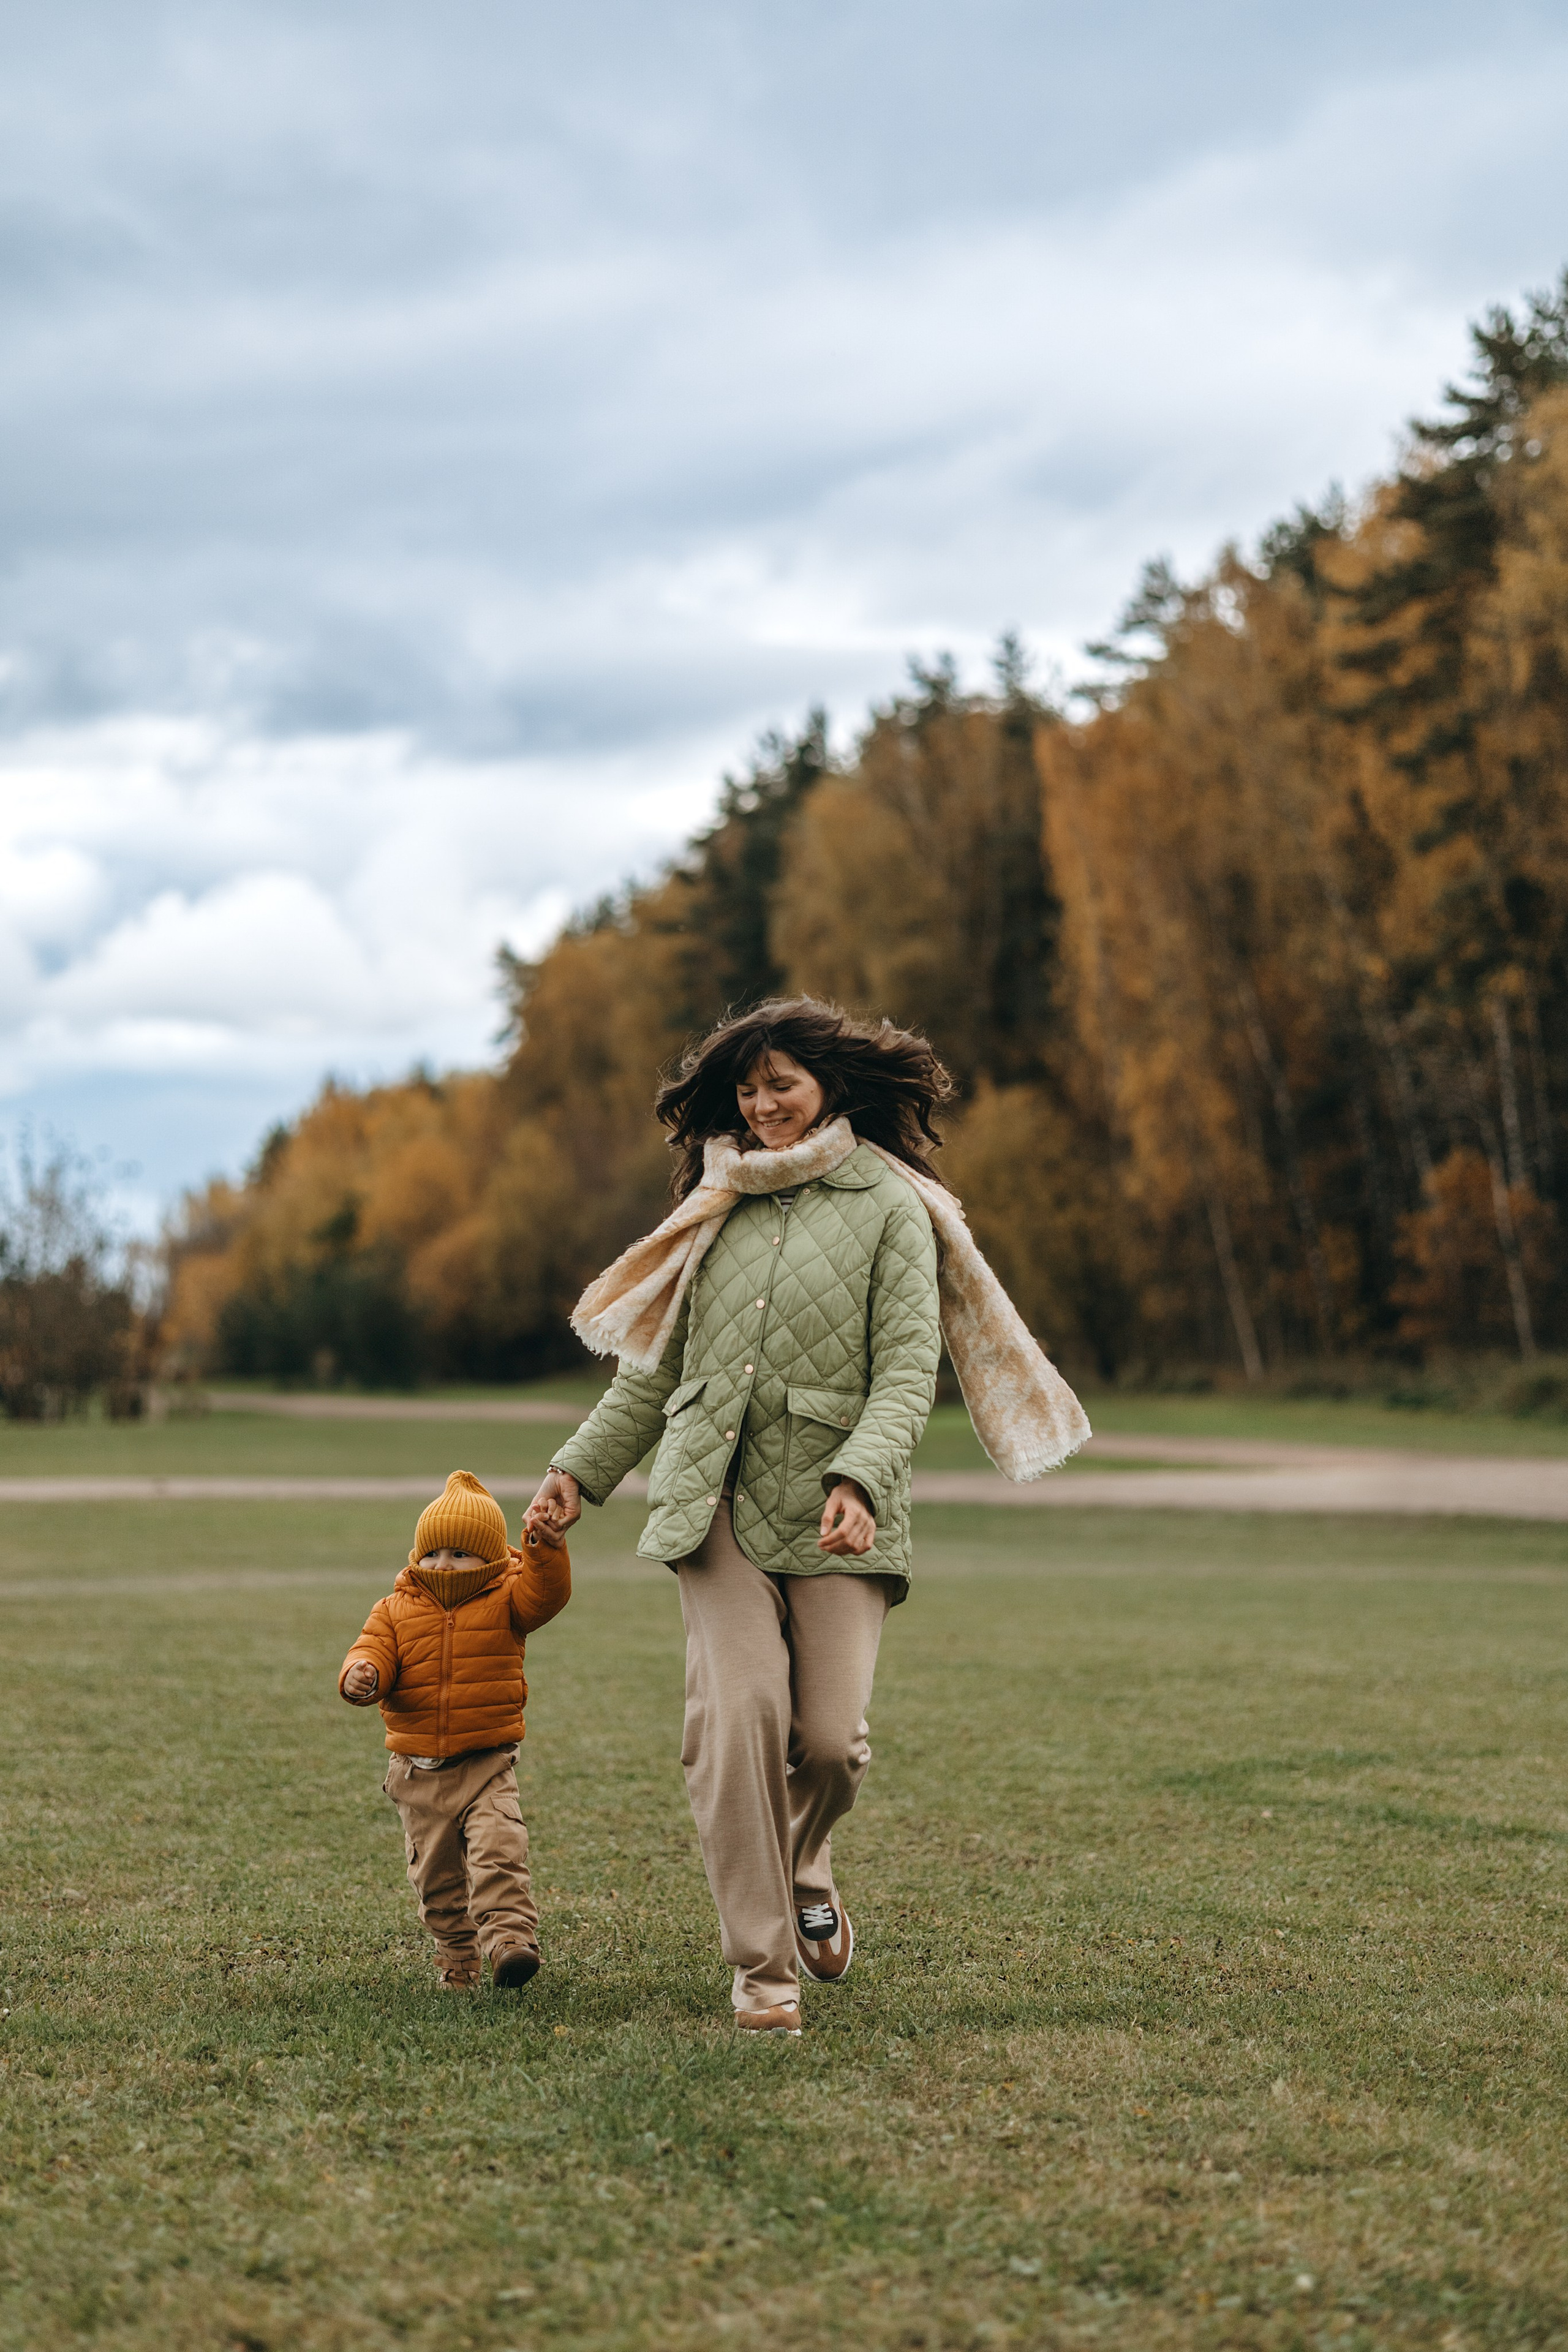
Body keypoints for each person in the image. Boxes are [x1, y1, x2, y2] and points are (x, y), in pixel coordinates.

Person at [527, 998, 1088, 2035]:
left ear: (828, 1083)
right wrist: (580, 1473)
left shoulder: (891, 1205)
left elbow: (907, 1368)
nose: (760, 1104)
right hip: (716, 1500)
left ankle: (806, 1860)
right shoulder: (720, 1194)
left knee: (828, 1744)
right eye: (746, 1088)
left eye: (779, 1083)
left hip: (841, 1511)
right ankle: (764, 1971)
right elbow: (659, 1371)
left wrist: (860, 1480)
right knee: (737, 1721)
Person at [339, 1468, 571, 1992]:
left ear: (490, 1558)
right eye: (433, 1553)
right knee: (437, 1882)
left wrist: (544, 1548)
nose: (443, 1563)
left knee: (499, 1853)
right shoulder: (395, 1609)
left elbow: (547, 1595)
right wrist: (362, 1674)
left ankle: (511, 1942)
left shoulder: (509, 1598)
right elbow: (371, 1648)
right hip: (418, 1775)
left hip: (486, 1763)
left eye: (461, 1553)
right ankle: (457, 1955)